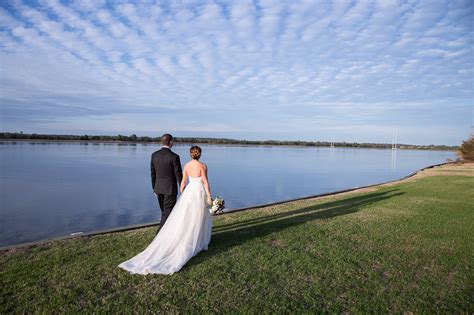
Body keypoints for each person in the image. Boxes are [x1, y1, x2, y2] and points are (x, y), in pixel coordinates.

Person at [118, 145, 213, 275]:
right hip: (198, 191)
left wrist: (182, 194)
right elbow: (206, 182)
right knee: (198, 216)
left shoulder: (186, 166)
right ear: (199, 154)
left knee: (187, 216)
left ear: (191, 154)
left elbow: (183, 182)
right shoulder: (203, 166)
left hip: (189, 192)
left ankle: (191, 237)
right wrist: (209, 196)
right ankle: (198, 239)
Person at [150, 134, 183, 228]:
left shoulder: (154, 155)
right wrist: (182, 188)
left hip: (158, 188)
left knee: (165, 212)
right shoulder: (174, 157)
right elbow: (178, 174)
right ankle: (159, 236)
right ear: (171, 142)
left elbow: (152, 173)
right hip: (170, 189)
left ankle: (169, 233)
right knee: (167, 213)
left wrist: (154, 188)